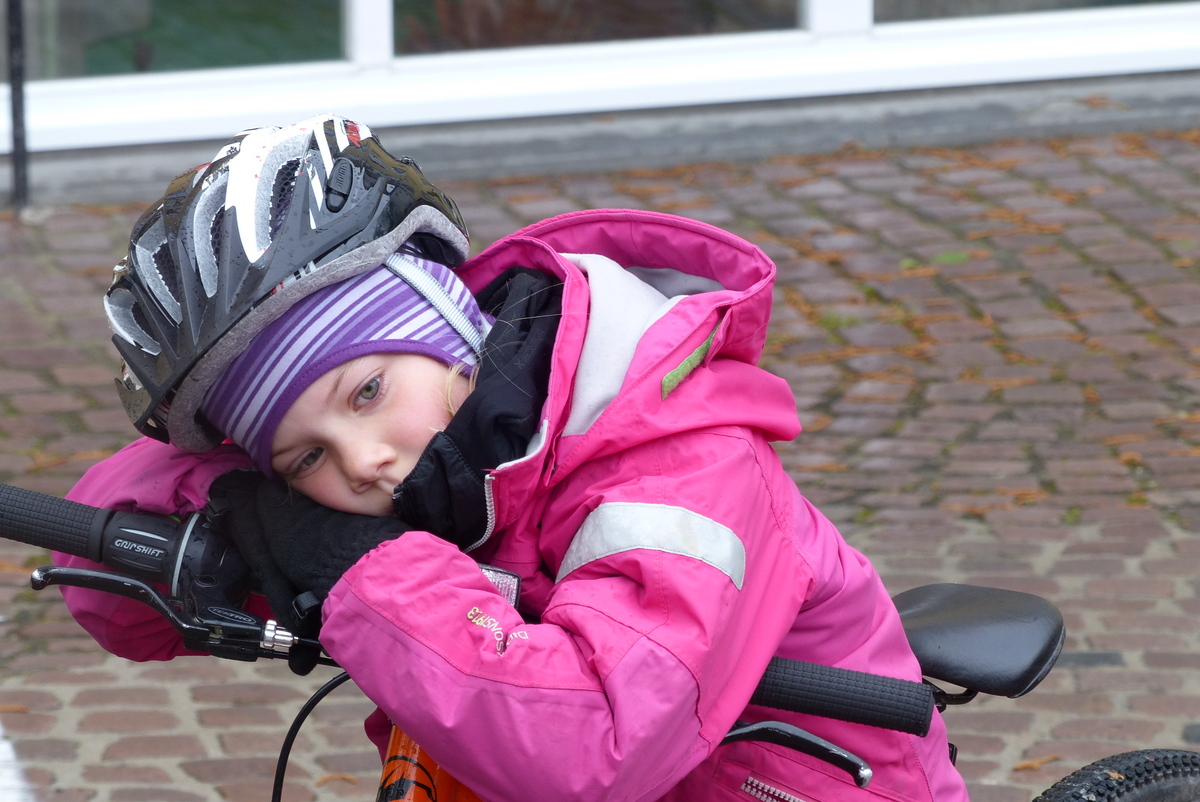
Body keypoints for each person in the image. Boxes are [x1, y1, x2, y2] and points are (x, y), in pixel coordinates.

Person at [57, 114, 968, 802]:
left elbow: (591, 750)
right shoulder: (430, 480)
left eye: (366, 392)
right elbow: (109, 595)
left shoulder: (684, 464)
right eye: (305, 458)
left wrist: (363, 569)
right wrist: (240, 497)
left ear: (453, 328)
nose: (363, 462)